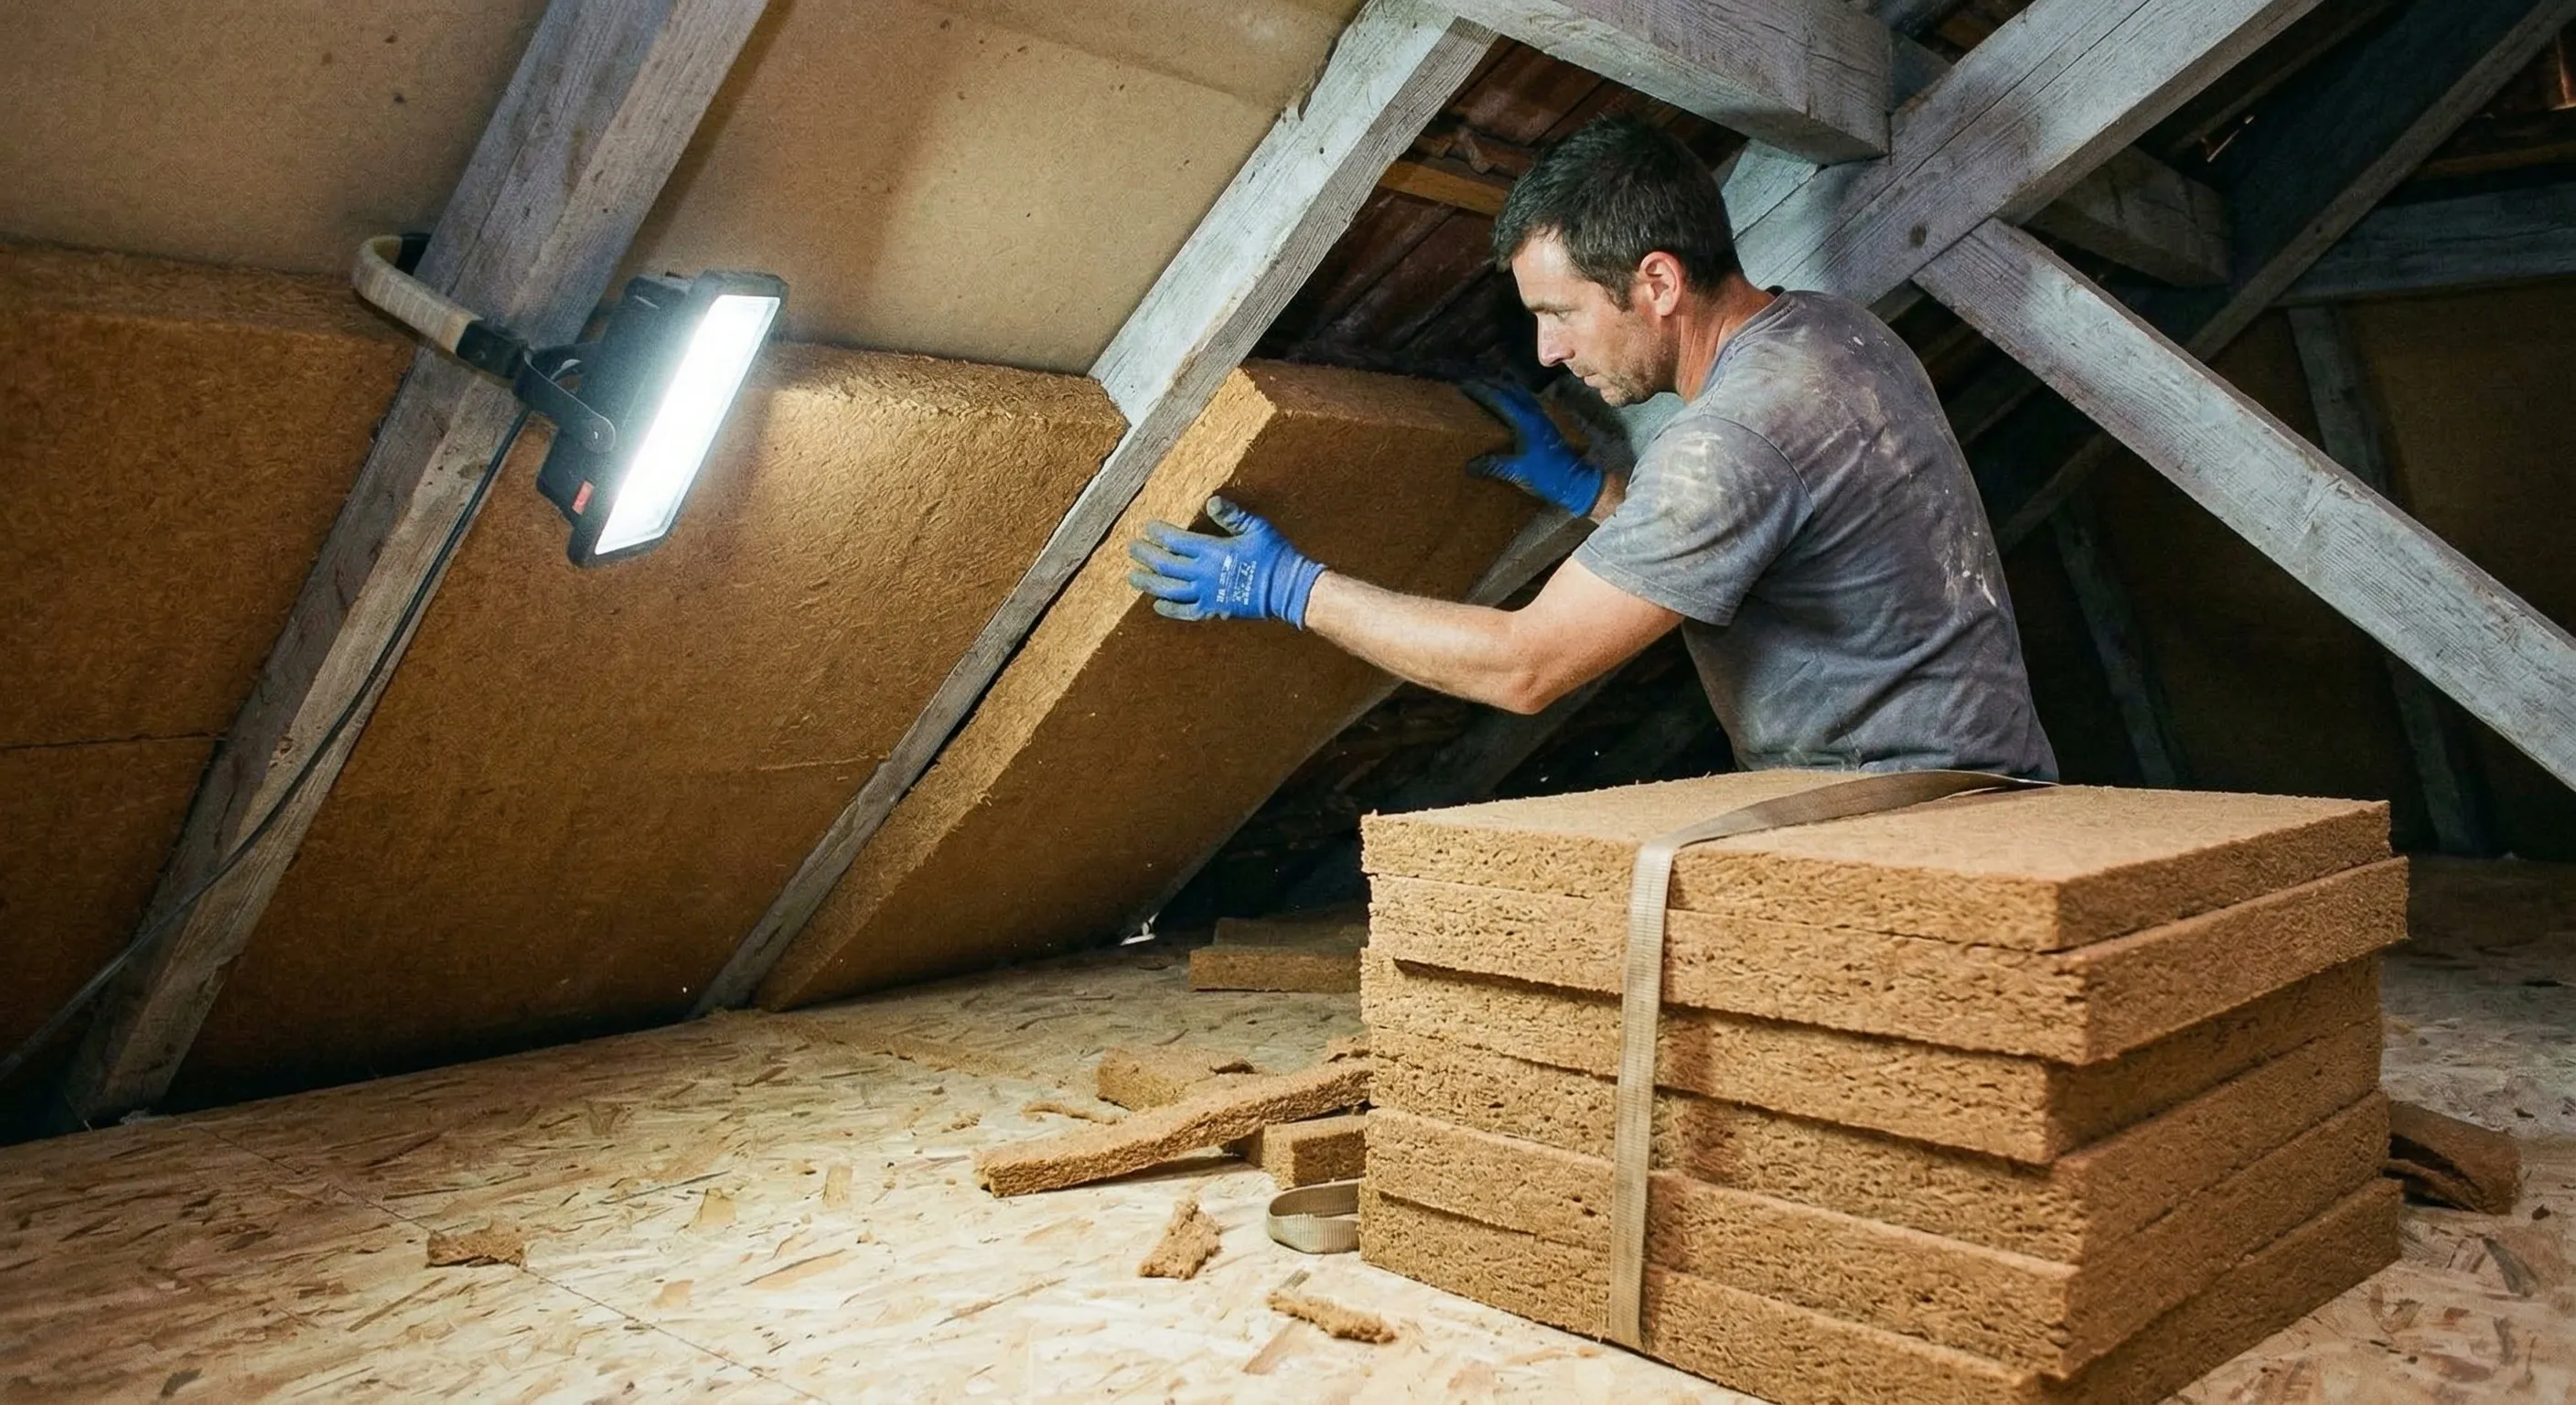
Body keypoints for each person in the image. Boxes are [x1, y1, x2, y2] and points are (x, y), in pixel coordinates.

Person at [1127, 115, 2055, 778]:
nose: (1548, 352)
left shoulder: (1728, 438)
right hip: (1990, 774)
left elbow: (1526, 665)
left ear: (1656, 281)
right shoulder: (1831, 333)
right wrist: (1595, 494)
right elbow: (1770, 527)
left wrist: (1294, 590)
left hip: (1900, 818)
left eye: (1557, 313)